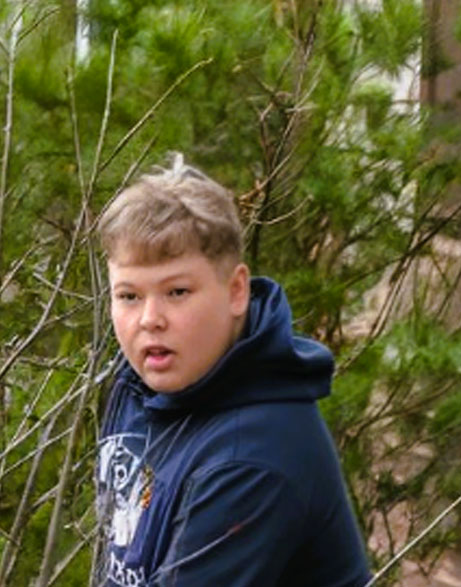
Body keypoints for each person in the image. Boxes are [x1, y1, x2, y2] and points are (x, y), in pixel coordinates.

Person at [95, 155, 371, 586]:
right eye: (129, 296)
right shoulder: (142, 383)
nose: (150, 319)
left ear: (236, 290)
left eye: (177, 291)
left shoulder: (251, 458)